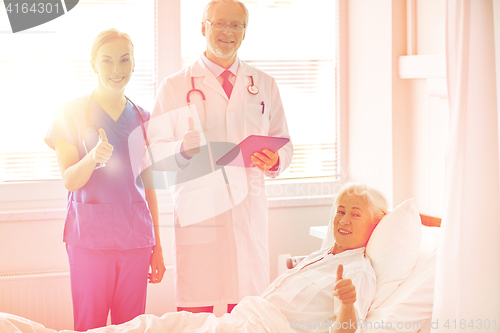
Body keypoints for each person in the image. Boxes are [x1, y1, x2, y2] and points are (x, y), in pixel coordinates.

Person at [0, 182, 387, 333]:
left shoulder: (358, 271)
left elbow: (345, 331)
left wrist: (349, 305)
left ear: (376, 225)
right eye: (340, 210)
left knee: (151, 328)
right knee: (153, 325)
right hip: (236, 324)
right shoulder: (322, 256)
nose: (343, 219)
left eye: (356, 214)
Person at [147, 0, 293, 314]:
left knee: (246, 312)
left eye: (236, 25)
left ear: (245, 33)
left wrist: (275, 159)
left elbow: (285, 143)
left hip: (247, 214)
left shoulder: (264, 84)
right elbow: (154, 153)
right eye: (220, 23)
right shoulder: (174, 87)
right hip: (200, 215)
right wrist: (181, 151)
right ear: (203, 27)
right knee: (195, 315)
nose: (228, 31)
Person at [44, 28, 166, 331]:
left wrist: (158, 247)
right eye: (107, 60)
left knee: (132, 327)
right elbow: (70, 180)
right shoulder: (70, 113)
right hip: (89, 241)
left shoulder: (145, 119)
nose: (116, 69)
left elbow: (150, 187)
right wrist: (93, 157)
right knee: (90, 325)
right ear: (93, 63)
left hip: (136, 241)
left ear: (134, 64)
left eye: (124, 60)